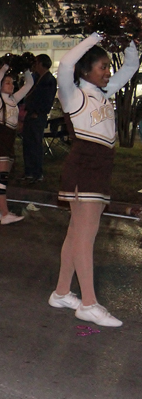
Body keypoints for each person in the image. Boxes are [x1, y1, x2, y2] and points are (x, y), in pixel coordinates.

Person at [49, 33, 138, 327]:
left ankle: (62, 293)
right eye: (102, 66)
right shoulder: (72, 94)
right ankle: (88, 303)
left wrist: (126, 38)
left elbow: (131, 66)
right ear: (86, 70)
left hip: (101, 167)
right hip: (84, 168)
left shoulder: (104, 92)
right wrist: (97, 36)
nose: (107, 71)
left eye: (107, 66)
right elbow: (66, 64)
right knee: (85, 238)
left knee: (76, 234)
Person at [0, 64, 34, 224]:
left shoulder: (13, 99)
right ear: (0, 85)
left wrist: (25, 66)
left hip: (9, 142)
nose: (11, 85)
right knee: (1, 181)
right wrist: (5, 66)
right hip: (0, 143)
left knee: (1, 181)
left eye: (12, 82)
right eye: (7, 82)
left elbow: (29, 84)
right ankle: (5, 214)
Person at [21, 54, 57, 183]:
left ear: (41, 64)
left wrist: (38, 112)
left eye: (36, 63)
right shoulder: (35, 77)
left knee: (35, 143)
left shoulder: (49, 80)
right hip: (30, 113)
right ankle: (29, 171)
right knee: (27, 143)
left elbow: (47, 99)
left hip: (38, 115)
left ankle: (37, 172)